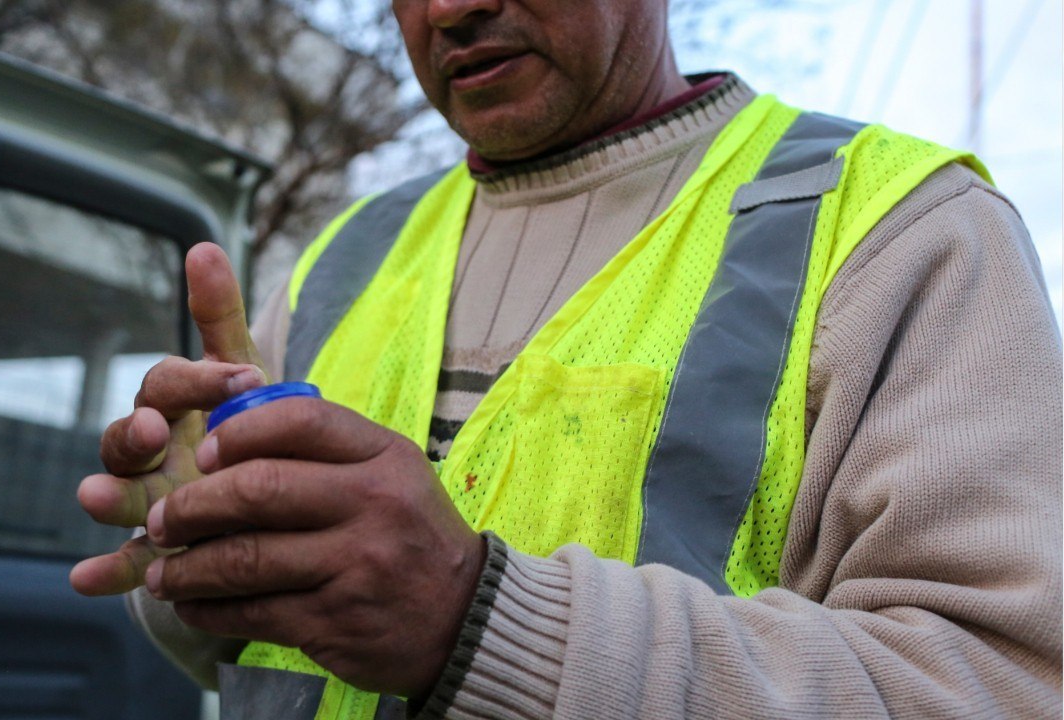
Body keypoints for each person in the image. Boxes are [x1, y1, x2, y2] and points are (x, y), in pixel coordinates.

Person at [70, 0, 1063, 717]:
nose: (450, 10)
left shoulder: (897, 232)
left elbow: (1005, 686)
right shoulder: (347, 252)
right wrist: (200, 559)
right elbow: (261, 663)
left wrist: (482, 622)